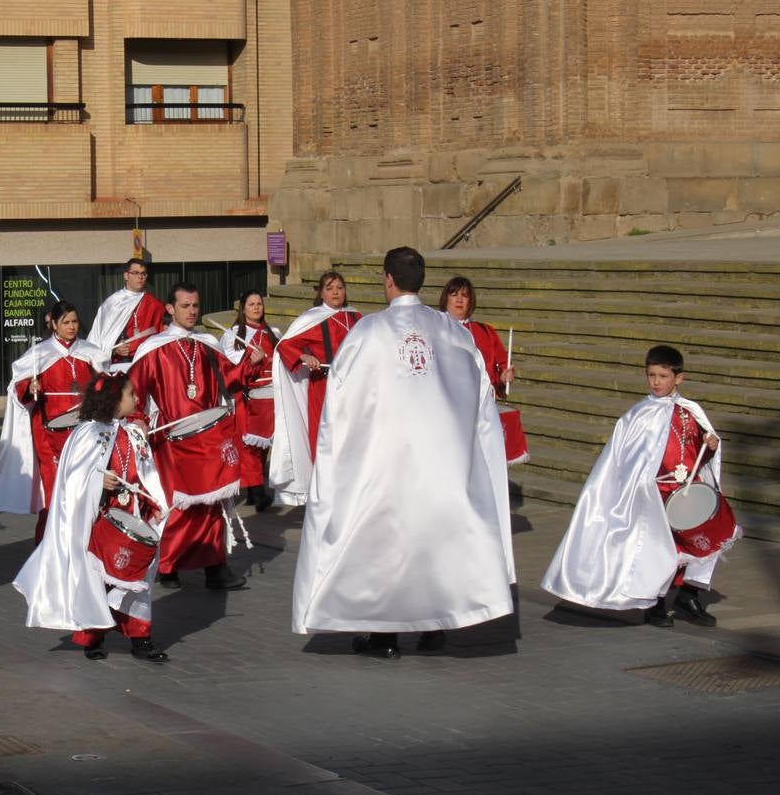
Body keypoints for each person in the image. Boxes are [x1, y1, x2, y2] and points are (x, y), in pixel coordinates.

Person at [291, 247, 515, 660]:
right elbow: (480, 397)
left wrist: (337, 457)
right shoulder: (453, 332)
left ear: (387, 280)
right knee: (434, 540)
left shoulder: (367, 332)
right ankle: (436, 627)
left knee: (388, 546)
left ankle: (385, 636)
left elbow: (341, 401)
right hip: (441, 459)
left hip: (385, 459)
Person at [541, 345, 736, 628]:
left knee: (703, 541)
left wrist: (712, 445)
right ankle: (654, 602)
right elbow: (623, 459)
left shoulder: (691, 411)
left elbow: (701, 451)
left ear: (678, 378)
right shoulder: (637, 415)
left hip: (688, 490)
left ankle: (689, 595)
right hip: (655, 493)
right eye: (651, 375)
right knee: (657, 549)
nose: (656, 382)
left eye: (663, 376)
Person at [13, 373, 171, 663]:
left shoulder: (135, 433)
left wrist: (154, 502)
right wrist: (98, 482)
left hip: (132, 513)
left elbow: (147, 474)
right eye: (131, 395)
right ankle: (93, 635)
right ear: (113, 400)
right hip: (100, 518)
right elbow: (73, 479)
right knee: (98, 578)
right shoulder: (88, 433)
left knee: (137, 577)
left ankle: (140, 637)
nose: (137, 400)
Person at [127, 282, 250, 589]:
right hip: (170, 437)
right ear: (170, 309)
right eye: (185, 306)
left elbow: (229, 378)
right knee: (176, 506)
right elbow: (132, 392)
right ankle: (168, 566)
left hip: (207, 436)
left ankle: (214, 566)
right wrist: (138, 419)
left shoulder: (208, 343)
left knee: (212, 504)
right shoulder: (153, 349)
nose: (192, 311)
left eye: (195, 306)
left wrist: (251, 363)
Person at [0, 300, 105, 539]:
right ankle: (48, 546)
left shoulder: (90, 352)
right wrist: (30, 386)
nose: (72, 327)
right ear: (54, 324)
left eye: (74, 322)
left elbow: (104, 383)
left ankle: (83, 544)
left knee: (84, 491)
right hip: (49, 434)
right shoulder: (39, 354)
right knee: (54, 492)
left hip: (84, 433)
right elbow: (18, 386)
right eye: (66, 322)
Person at [270, 271, 363, 507]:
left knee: (354, 440)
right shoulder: (313, 319)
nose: (335, 292)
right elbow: (285, 345)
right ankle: (325, 495)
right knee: (326, 441)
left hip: (353, 389)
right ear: (321, 293)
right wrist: (303, 356)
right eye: (330, 288)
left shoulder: (357, 317)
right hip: (324, 388)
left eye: (340, 288)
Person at [440, 277, 528, 465]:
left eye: (464, 295)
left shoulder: (485, 332)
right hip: (447, 410)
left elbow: (502, 365)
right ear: (445, 299)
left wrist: (505, 376)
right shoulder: (435, 328)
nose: (459, 300)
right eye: (454, 294)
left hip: (481, 411)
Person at [222, 290, 279, 511]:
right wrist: (250, 361)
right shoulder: (233, 335)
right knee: (249, 447)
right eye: (251, 304)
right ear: (243, 308)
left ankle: (255, 490)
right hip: (248, 399)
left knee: (263, 446)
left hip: (272, 397)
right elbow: (230, 369)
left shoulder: (273, 332)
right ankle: (257, 491)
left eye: (259, 303)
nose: (256, 307)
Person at [88, 258, 167, 372]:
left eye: (143, 273)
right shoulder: (112, 303)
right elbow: (99, 338)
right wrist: (114, 350)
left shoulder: (155, 305)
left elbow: (162, 337)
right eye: (135, 273)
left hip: (145, 365)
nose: (140, 277)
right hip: (117, 365)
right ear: (126, 275)